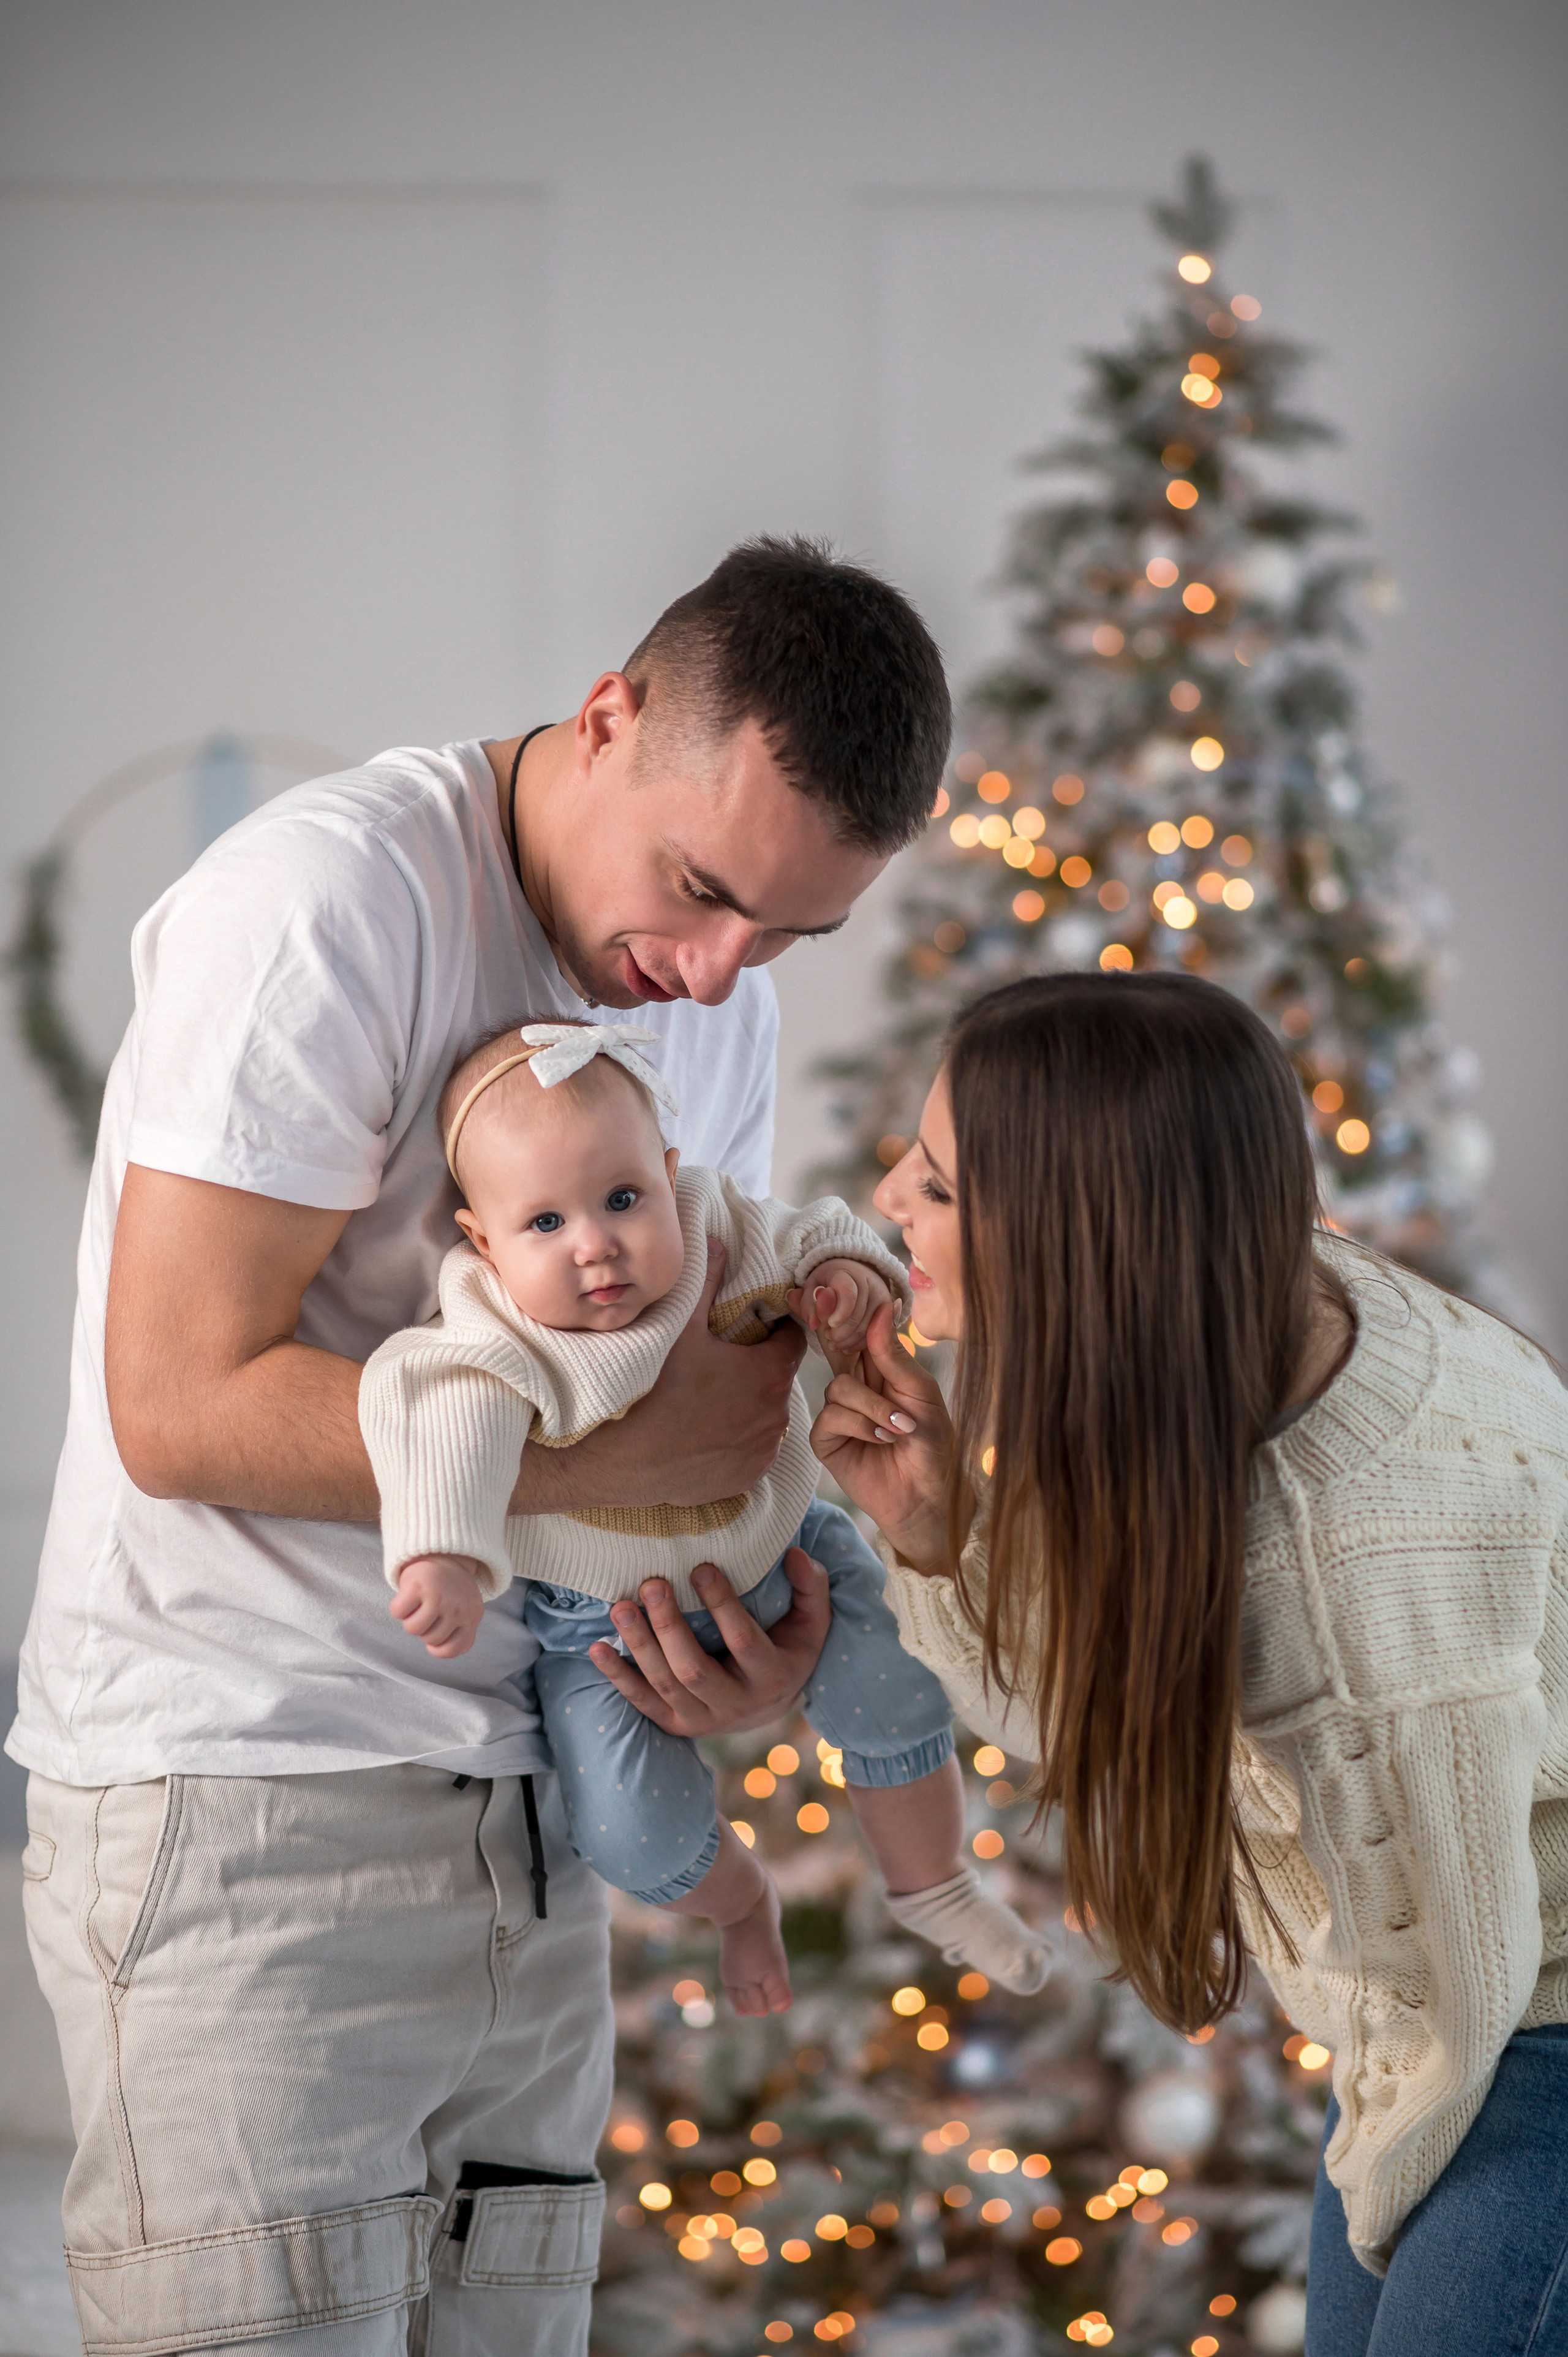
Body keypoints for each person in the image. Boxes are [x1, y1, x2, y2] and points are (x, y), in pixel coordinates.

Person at [7, 536, 952, 2357]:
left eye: (791, 935)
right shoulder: (325, 904)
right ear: (609, 718)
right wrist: (620, 1466)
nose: (714, 971)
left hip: (533, 1815)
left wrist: (728, 1635)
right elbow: (178, 1401)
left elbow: (681, 1413)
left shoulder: (712, 1001)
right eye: (699, 890)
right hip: (253, 1811)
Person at [807, 970, 1568, 2357]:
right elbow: (1090, 1700)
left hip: (1527, 2029)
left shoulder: (1366, 1585)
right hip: (1463, 2019)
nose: (885, 1202)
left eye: (934, 1182)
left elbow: (1446, 1997)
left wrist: (1384, 2233)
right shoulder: (1227, 1324)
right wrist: (928, 1534)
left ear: (1074, 1235)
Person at [359, 1017, 1050, 2016]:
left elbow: (814, 1229)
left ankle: (935, 1883)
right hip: (601, 1624)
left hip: (784, 1541)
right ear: (481, 1238)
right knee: (629, 1831)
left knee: (899, 1675)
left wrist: (851, 1279)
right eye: (544, 1224)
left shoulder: (710, 1229)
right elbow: (439, 1419)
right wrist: (445, 1559)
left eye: (623, 1198)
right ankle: (741, 1906)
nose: (596, 1244)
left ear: (669, 1172)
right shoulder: (491, 1321)